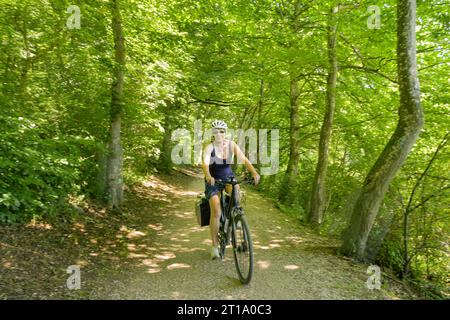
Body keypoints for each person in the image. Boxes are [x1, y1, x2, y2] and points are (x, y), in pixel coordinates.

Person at [202, 120, 260, 259]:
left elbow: (244, 159)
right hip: (213, 180)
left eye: (221, 131)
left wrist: (254, 172)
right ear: (213, 134)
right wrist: (208, 175)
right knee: (216, 209)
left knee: (236, 195)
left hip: (228, 177)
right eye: (216, 131)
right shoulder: (209, 147)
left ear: (225, 133)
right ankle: (215, 246)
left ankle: (234, 220)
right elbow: (204, 163)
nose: (219, 134)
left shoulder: (231, 145)